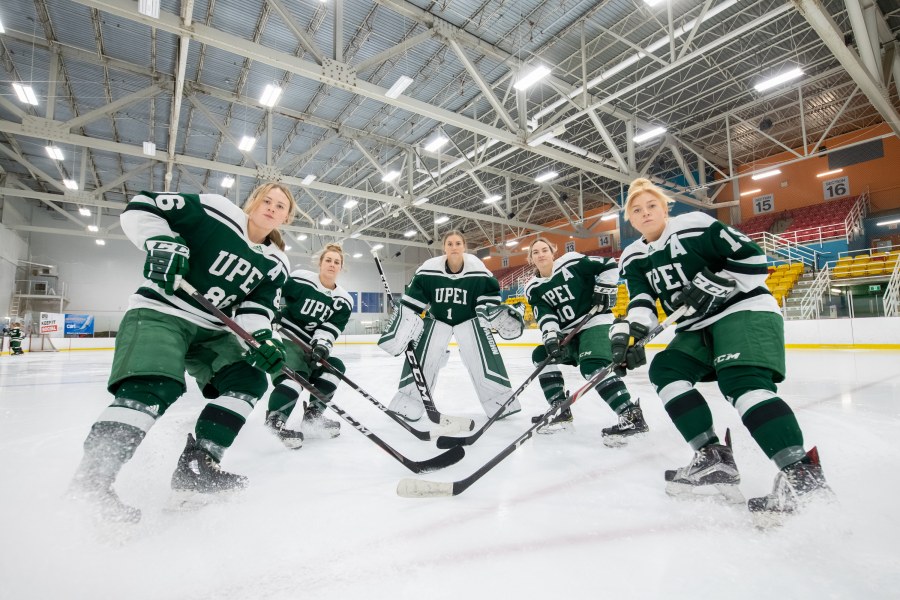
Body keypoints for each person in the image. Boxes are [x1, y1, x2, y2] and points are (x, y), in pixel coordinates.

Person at [70, 183, 295, 523]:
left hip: (212, 331)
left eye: (280, 206)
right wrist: (161, 241)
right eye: (266, 200)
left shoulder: (277, 262)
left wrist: (261, 338)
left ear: (287, 217)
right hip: (161, 310)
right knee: (154, 385)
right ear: (252, 202)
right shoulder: (216, 210)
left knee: (248, 380)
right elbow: (143, 203)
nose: (271, 208)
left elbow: (254, 306)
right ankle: (91, 485)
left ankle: (198, 467)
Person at [612, 177, 832, 515]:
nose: (645, 213)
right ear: (630, 219)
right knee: (666, 369)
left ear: (665, 207)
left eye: (651, 205)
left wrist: (715, 282)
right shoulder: (634, 255)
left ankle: (799, 474)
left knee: (741, 382)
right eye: (636, 210)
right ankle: (712, 457)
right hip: (695, 326)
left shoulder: (695, 226)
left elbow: (754, 260)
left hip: (742, 309)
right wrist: (633, 334)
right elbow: (641, 298)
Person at [378, 230, 525, 422]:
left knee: (482, 357)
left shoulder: (478, 269)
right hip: (438, 320)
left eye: (457, 243)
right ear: (444, 247)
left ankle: (500, 401)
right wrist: (403, 321)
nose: (454, 247)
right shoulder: (429, 269)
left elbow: (488, 303)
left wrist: (492, 315)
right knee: (425, 356)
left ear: (464, 246)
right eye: (450, 244)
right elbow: (413, 303)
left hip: (470, 321)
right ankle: (408, 402)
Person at [525, 238, 648, 444]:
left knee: (592, 365)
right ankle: (560, 409)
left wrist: (604, 287)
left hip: (595, 321)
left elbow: (609, 264)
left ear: (553, 252)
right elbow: (545, 315)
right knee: (541, 356)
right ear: (531, 259)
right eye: (535, 252)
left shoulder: (572, 262)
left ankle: (631, 415)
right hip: (568, 333)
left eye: (545, 249)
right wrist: (551, 338)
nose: (541, 254)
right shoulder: (533, 287)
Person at [265, 243, 352, 447]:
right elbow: (275, 291)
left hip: (311, 346)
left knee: (335, 367)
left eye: (336, 262)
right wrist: (271, 312)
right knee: (296, 376)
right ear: (320, 263)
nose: (332, 264)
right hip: (286, 336)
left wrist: (321, 346)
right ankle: (275, 421)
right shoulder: (300, 278)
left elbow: (331, 327)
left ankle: (313, 416)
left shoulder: (344, 300)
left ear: (341, 267)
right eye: (328, 260)